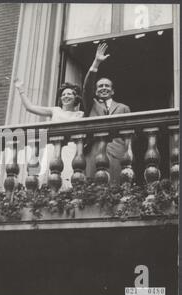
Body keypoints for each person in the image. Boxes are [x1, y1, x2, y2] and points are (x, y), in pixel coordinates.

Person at [14, 79, 84, 190]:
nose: (66, 96)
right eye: (63, 94)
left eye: (69, 94)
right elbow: (30, 107)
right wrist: (21, 90)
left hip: (70, 148)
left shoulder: (80, 114)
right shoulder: (55, 110)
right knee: (50, 174)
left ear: (76, 97)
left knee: (68, 174)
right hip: (53, 147)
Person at [83, 42, 131, 184]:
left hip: (117, 152)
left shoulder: (123, 107)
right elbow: (86, 88)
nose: (104, 88)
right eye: (100, 86)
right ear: (96, 90)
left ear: (113, 90)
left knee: (115, 187)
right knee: (92, 189)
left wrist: (128, 153)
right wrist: (96, 62)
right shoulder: (91, 104)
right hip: (94, 152)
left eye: (107, 86)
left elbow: (128, 135)